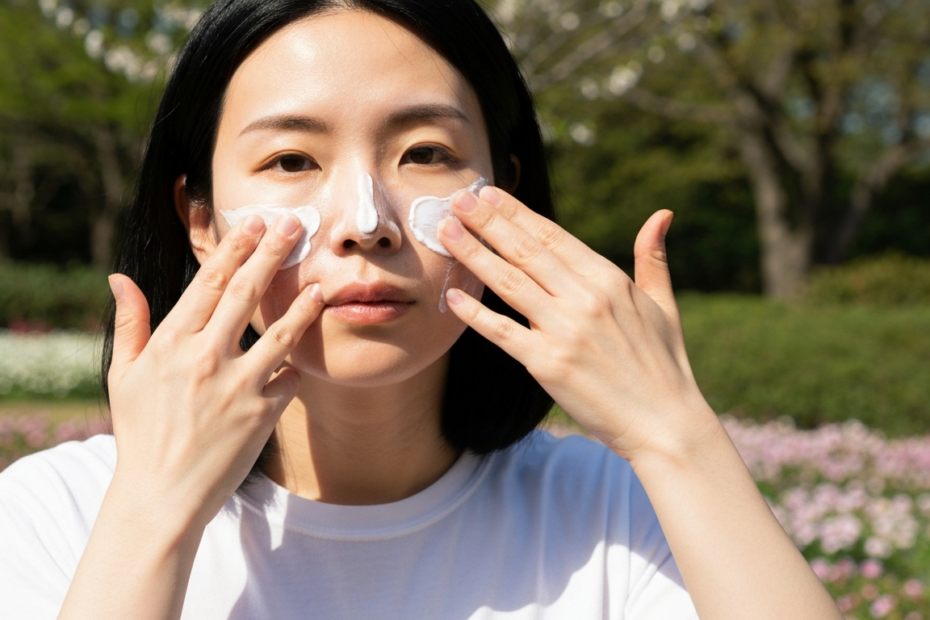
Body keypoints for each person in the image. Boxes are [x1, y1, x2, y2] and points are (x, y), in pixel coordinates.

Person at [0, 1, 842, 618]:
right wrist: (154, 512)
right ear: (199, 219)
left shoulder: (620, 511)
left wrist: (675, 432)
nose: (366, 223)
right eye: (292, 159)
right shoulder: (59, 514)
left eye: (426, 153)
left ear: (506, 193)